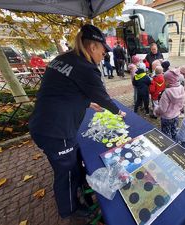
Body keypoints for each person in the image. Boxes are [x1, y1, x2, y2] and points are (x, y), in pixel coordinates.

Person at [29, 24, 126, 219]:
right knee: (67, 174)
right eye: (103, 50)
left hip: (41, 124)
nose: (104, 55)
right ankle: (69, 209)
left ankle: (77, 188)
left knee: (71, 166)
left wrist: (87, 103)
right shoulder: (87, 68)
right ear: (93, 47)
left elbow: (62, 90)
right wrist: (117, 112)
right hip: (57, 132)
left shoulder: (63, 58)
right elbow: (104, 98)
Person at [154, 68, 185, 140]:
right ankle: (175, 144)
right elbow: (184, 102)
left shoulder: (166, 92)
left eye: (165, 80)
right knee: (174, 131)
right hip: (176, 116)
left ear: (168, 81)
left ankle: (167, 146)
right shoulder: (181, 88)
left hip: (166, 118)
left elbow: (162, 109)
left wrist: (156, 110)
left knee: (166, 134)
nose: (164, 81)